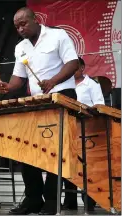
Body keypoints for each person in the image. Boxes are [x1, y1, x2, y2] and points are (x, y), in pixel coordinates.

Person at [0, 7, 79, 215]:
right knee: (28, 148)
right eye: (16, 26)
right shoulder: (20, 47)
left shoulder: (57, 35)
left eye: (23, 23)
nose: (20, 29)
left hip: (62, 95)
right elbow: (19, 78)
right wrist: (9, 86)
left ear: (35, 19)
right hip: (37, 101)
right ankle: (33, 198)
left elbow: (73, 63)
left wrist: (53, 81)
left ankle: (52, 200)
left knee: (55, 150)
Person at [62, 56, 102, 211]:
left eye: (74, 68)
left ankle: (89, 202)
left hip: (88, 130)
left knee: (88, 168)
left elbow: (99, 105)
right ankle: (70, 201)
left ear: (82, 68)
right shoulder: (65, 85)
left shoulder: (91, 84)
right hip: (70, 129)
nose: (71, 71)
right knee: (69, 165)